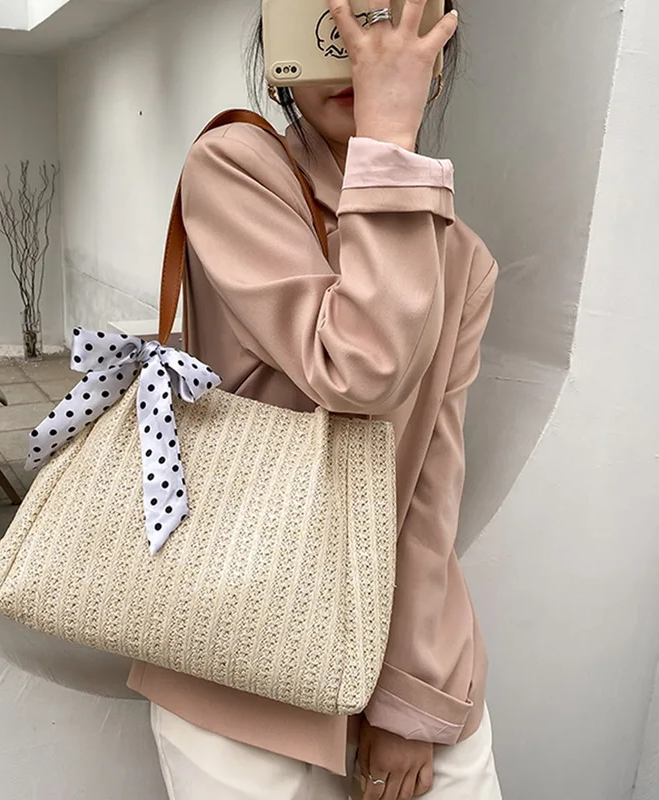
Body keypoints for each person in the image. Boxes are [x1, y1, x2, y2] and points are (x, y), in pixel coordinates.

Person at [128, 1, 502, 797]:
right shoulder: (234, 167)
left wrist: (410, 696)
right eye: (327, 16)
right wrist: (388, 142)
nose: (357, 38)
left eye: (389, 14)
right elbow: (357, 369)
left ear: (436, 51)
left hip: (409, 653)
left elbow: (431, 489)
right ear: (280, 51)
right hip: (239, 664)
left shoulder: (461, 257)